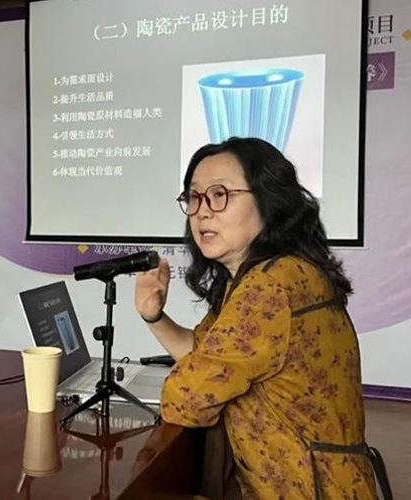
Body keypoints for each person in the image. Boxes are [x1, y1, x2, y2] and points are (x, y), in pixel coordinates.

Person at [135, 137, 388, 498]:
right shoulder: (268, 273)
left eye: (220, 194)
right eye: (194, 197)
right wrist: (155, 317)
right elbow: (206, 354)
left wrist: (191, 383)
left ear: (269, 201)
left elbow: (187, 398)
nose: (202, 211)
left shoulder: (271, 285)